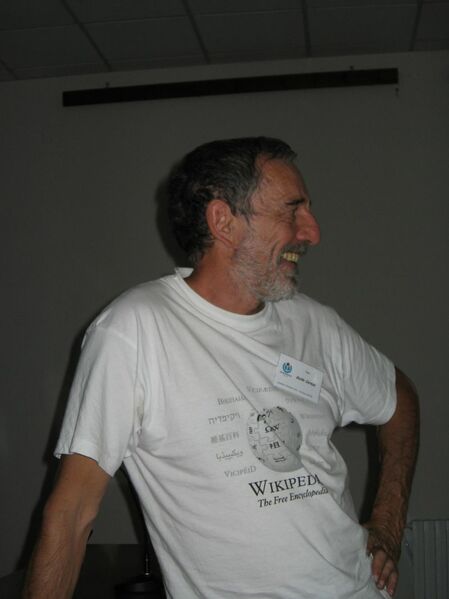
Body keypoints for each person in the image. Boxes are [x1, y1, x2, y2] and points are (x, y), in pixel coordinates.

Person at [23, 137, 419, 599]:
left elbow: (399, 401)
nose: (312, 233)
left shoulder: (315, 323)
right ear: (223, 221)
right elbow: (70, 514)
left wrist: (388, 522)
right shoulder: (134, 329)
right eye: (292, 211)